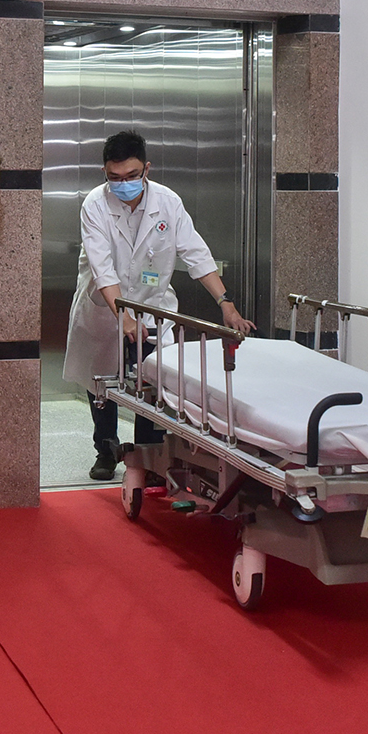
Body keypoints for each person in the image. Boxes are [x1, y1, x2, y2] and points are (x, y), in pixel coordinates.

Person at [62, 130, 254, 481]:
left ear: (146, 169)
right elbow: (102, 268)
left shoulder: (168, 202)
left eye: (132, 175)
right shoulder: (95, 205)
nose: (124, 184)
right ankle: (106, 450)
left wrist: (225, 303)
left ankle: (148, 457)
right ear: (105, 172)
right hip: (104, 308)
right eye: (115, 177)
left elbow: (196, 253)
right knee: (101, 383)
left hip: (153, 308)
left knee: (153, 384)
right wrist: (124, 316)